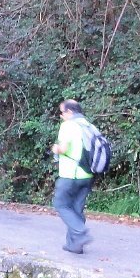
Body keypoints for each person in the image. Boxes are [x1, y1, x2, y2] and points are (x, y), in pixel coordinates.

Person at [50, 99, 94, 254]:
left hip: (71, 175)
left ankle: (81, 233)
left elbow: (63, 148)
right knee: (76, 209)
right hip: (87, 175)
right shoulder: (88, 125)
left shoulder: (68, 125)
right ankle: (74, 245)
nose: (61, 116)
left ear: (69, 112)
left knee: (61, 204)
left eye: (62, 112)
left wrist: (55, 149)